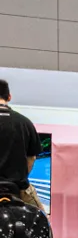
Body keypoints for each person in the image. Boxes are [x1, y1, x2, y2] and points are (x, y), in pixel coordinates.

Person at [0, 78, 43, 209]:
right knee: (43, 220)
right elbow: (32, 158)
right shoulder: (25, 122)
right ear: (9, 96)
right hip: (18, 189)